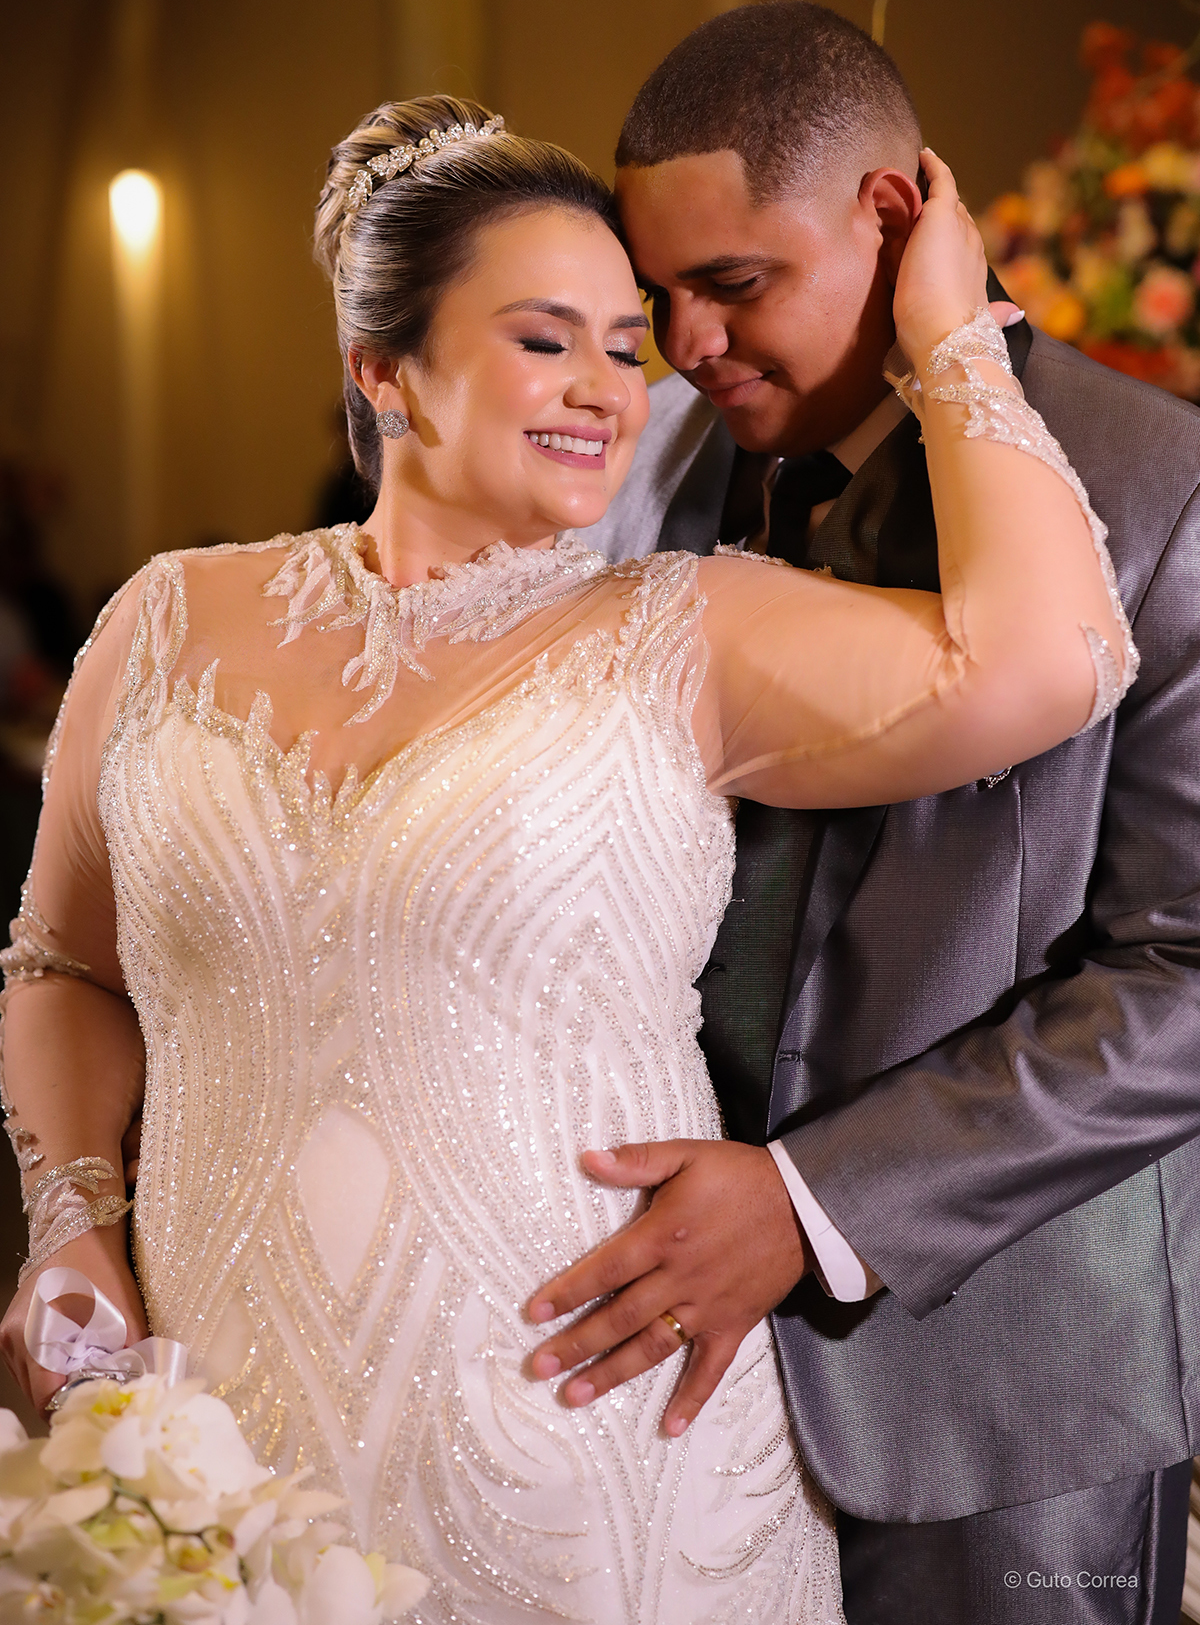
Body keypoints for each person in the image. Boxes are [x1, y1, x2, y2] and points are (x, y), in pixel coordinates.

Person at [0, 95, 1127, 1625]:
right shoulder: (164, 619)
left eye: (622, 343)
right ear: (382, 368)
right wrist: (71, 1222)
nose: (610, 387)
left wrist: (952, 337)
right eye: (548, 340)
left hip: (599, 1453)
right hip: (224, 1446)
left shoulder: (693, 627)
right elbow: (66, 967)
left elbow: (1056, 658)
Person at [526, 0, 1200, 1624]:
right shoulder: (649, 474)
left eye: (733, 284)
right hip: (647, 1360)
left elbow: (1186, 973)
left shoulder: (1160, 494)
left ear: (892, 217)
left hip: (999, 1383)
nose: (686, 343)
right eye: (657, 293)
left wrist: (816, 1199)